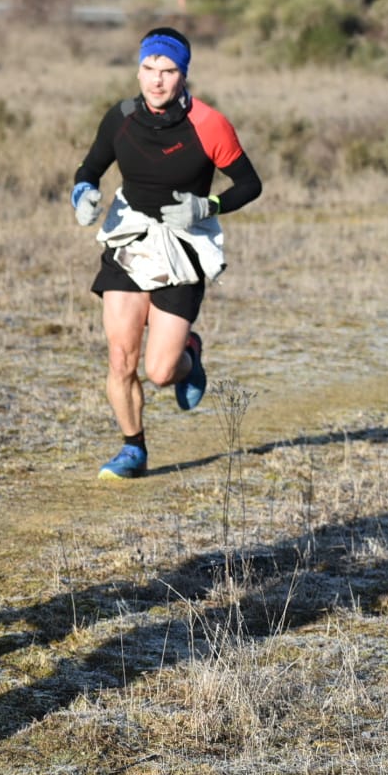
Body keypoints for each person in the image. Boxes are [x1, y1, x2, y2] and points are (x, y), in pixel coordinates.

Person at [70, 26, 262, 480]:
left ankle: (189, 356)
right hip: (129, 238)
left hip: (181, 246)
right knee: (121, 358)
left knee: (159, 371)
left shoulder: (209, 124)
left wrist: (207, 205)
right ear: (138, 70)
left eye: (168, 71)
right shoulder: (120, 118)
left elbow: (250, 185)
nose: (156, 80)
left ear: (184, 75)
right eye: (148, 69)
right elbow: (91, 168)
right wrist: (82, 194)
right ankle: (132, 448)